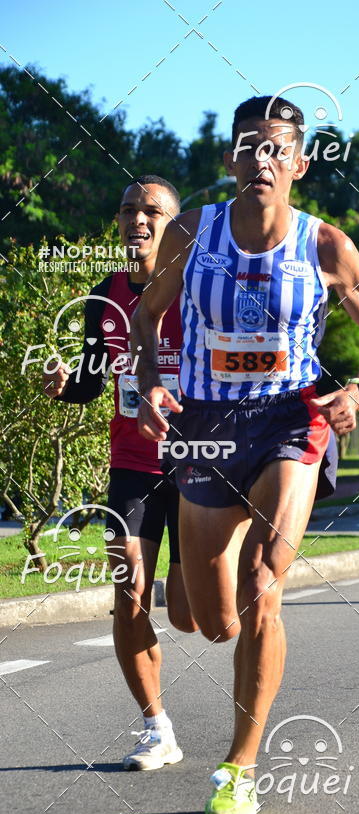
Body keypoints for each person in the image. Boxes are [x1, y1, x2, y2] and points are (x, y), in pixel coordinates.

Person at [131, 96, 359, 814]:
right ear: (231, 158)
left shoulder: (327, 247)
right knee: (209, 622)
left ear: (300, 164)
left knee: (263, 584)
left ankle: (240, 769)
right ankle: (197, 571)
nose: (263, 158)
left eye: (278, 147)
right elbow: (146, 315)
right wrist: (153, 383)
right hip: (206, 425)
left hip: (292, 418)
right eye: (250, 145)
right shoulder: (192, 232)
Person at [43, 175, 199, 771]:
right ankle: (157, 729)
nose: (138, 218)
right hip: (133, 466)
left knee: (189, 615)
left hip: (199, 464)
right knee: (129, 593)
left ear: (174, 225)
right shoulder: (102, 298)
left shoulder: (198, 289)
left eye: (152, 211)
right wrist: (66, 385)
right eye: (129, 208)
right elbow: (90, 383)